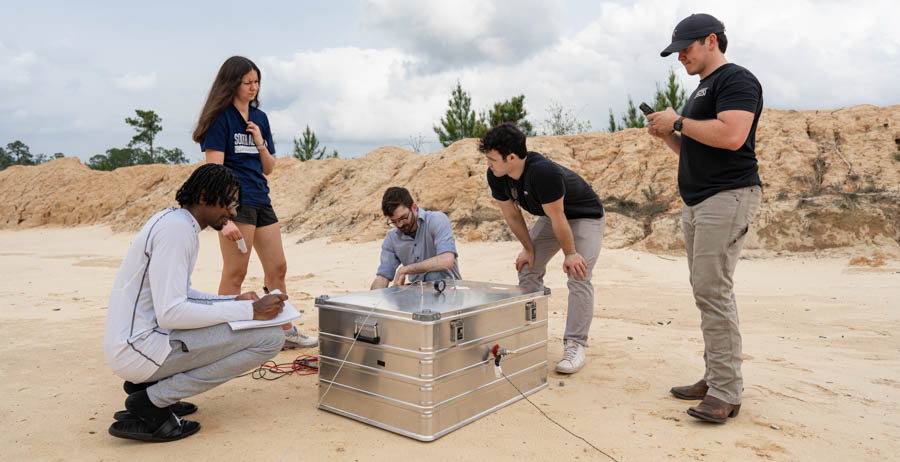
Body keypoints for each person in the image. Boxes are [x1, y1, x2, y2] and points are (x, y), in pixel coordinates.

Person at [104, 164, 289, 442]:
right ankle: (153, 401)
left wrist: (233, 300)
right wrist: (249, 310)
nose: (234, 213)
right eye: (230, 203)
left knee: (242, 322)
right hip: (139, 349)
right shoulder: (177, 232)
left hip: (138, 342)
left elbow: (183, 294)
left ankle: (154, 386)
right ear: (204, 195)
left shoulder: (175, 222)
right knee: (271, 338)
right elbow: (171, 313)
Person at [646, 13, 763, 423]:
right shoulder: (703, 89)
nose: (680, 56)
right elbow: (698, 149)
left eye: (685, 48)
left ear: (710, 41)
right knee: (706, 290)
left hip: (726, 198)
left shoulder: (737, 81)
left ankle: (726, 391)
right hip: (700, 200)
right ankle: (716, 379)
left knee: (713, 290)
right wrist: (671, 136)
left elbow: (732, 137)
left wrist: (678, 120)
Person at [192, 55, 315, 349]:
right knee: (236, 273)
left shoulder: (260, 118)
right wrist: (224, 220)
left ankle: (284, 330)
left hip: (261, 199)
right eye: (247, 82)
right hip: (235, 205)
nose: (253, 88)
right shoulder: (220, 119)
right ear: (232, 84)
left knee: (278, 269)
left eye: (257, 82)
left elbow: (269, 167)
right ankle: (224, 335)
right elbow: (213, 173)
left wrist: (259, 141)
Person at [479, 123, 605, 374]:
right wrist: (528, 249)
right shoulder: (496, 175)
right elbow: (512, 216)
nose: (489, 163)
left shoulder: (543, 172)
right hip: (551, 218)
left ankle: (575, 344)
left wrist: (571, 254)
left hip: (584, 216)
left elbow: (560, 218)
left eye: (493, 159)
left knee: (578, 273)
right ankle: (530, 337)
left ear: (511, 157)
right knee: (528, 268)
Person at [371, 186, 461, 289]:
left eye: (403, 218)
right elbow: (383, 277)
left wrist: (405, 269)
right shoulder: (392, 238)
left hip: (448, 291)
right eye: (394, 221)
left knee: (433, 276)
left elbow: (446, 261)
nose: (400, 225)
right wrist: (374, 297)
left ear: (414, 207)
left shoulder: (437, 220)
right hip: (417, 295)